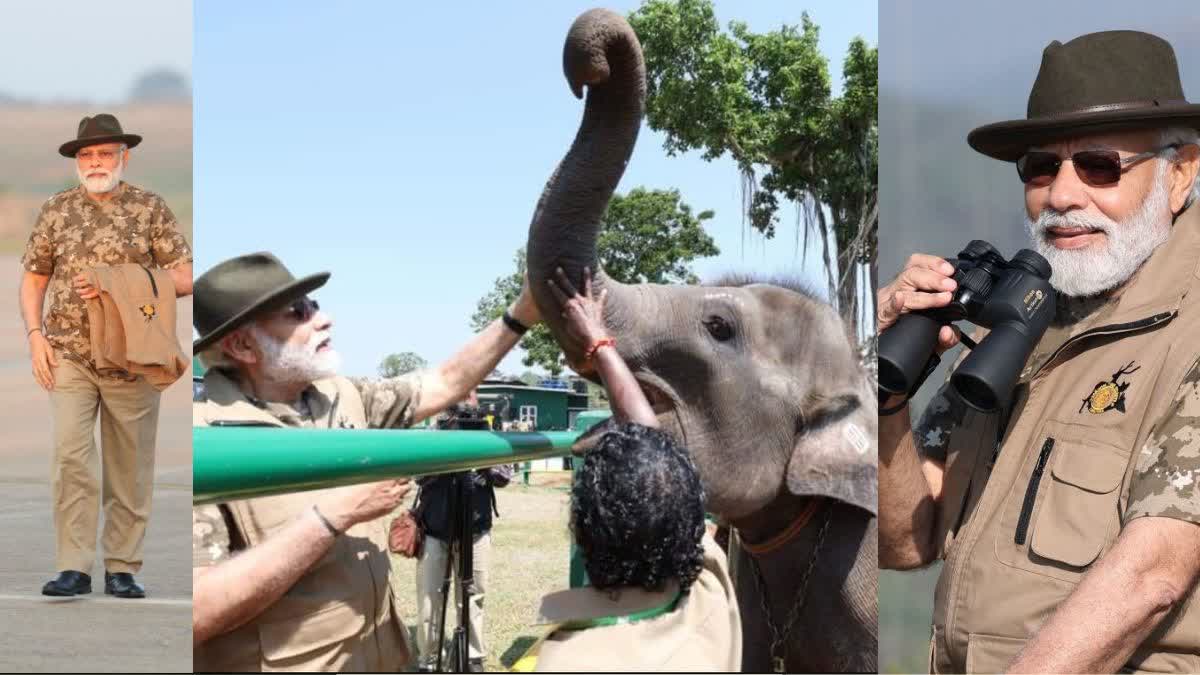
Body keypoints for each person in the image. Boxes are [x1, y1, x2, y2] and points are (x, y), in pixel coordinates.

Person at [878, 31, 1200, 673]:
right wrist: (885, 395)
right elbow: (907, 542)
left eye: (1100, 166)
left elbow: (1152, 577)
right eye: (1041, 167)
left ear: (1180, 174)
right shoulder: (1022, 324)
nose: (1062, 196)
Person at [190, 252, 540, 672]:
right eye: (298, 312)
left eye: (314, 305)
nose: (323, 318)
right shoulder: (200, 440)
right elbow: (196, 611)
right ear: (243, 345)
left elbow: (444, 381)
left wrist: (521, 313)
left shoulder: (343, 396)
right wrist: (331, 518)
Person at [512, 268, 741, 672]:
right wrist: (601, 344)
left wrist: (596, 343)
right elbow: (649, 439)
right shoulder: (710, 591)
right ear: (691, 525)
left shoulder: (565, 661)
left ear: (582, 531)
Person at [20, 114, 193, 599]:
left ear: (124, 156)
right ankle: (73, 566)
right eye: (86, 155)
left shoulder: (148, 208)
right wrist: (35, 336)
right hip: (69, 355)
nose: (95, 162)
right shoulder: (56, 210)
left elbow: (184, 276)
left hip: (132, 358)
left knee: (129, 466)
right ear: (78, 161)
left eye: (104, 153)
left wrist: (116, 282)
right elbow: (34, 278)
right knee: (71, 459)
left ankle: (122, 567)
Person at [413, 396, 512, 673]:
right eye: (462, 392)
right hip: (436, 528)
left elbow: (505, 476)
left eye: (472, 392)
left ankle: (472, 658)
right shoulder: (435, 431)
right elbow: (417, 474)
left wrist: (484, 459)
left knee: (474, 596)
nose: (468, 398)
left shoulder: (488, 432)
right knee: (430, 597)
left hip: (476, 530)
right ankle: (429, 661)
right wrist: (448, 454)